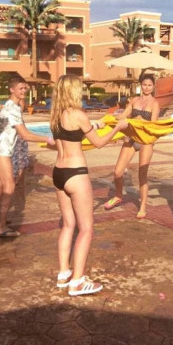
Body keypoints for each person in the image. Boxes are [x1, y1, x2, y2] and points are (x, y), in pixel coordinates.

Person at [51, 74, 128, 296]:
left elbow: (72, 135)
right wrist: (118, 128)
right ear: (73, 91)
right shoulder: (79, 115)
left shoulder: (55, 115)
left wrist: (96, 124)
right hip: (76, 174)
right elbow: (99, 142)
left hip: (59, 173)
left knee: (68, 225)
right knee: (86, 228)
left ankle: (64, 274)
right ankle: (77, 282)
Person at [0, 76, 54, 237]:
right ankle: (1, 227)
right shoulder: (12, 109)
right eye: (20, 88)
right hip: (1, 149)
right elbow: (25, 135)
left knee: (1, 185)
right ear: (12, 89)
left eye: (25, 88)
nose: (24, 91)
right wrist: (48, 139)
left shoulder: (12, 105)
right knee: (9, 186)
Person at [103, 73, 160, 218]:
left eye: (149, 85)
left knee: (142, 175)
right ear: (140, 85)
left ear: (153, 86)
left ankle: (143, 206)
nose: (146, 88)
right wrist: (111, 118)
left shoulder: (155, 103)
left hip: (146, 141)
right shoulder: (134, 100)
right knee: (118, 172)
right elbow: (123, 116)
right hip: (131, 139)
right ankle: (118, 196)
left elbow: (154, 125)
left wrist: (141, 120)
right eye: (144, 85)